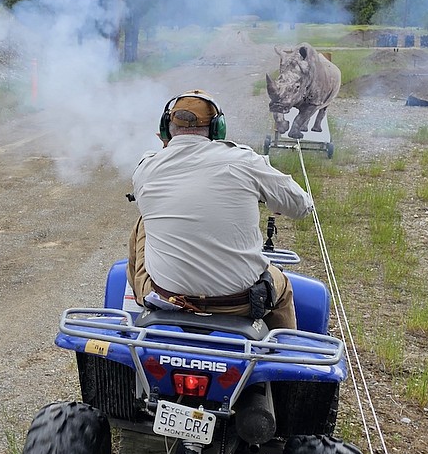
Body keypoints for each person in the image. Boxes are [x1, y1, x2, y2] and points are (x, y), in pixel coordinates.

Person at [128, 90, 314, 331]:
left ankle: (139, 318)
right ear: (218, 129)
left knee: (143, 223)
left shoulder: (146, 168)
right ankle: (282, 357)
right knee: (283, 286)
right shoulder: (244, 161)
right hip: (240, 303)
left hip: (167, 298)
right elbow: (302, 206)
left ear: (166, 128)